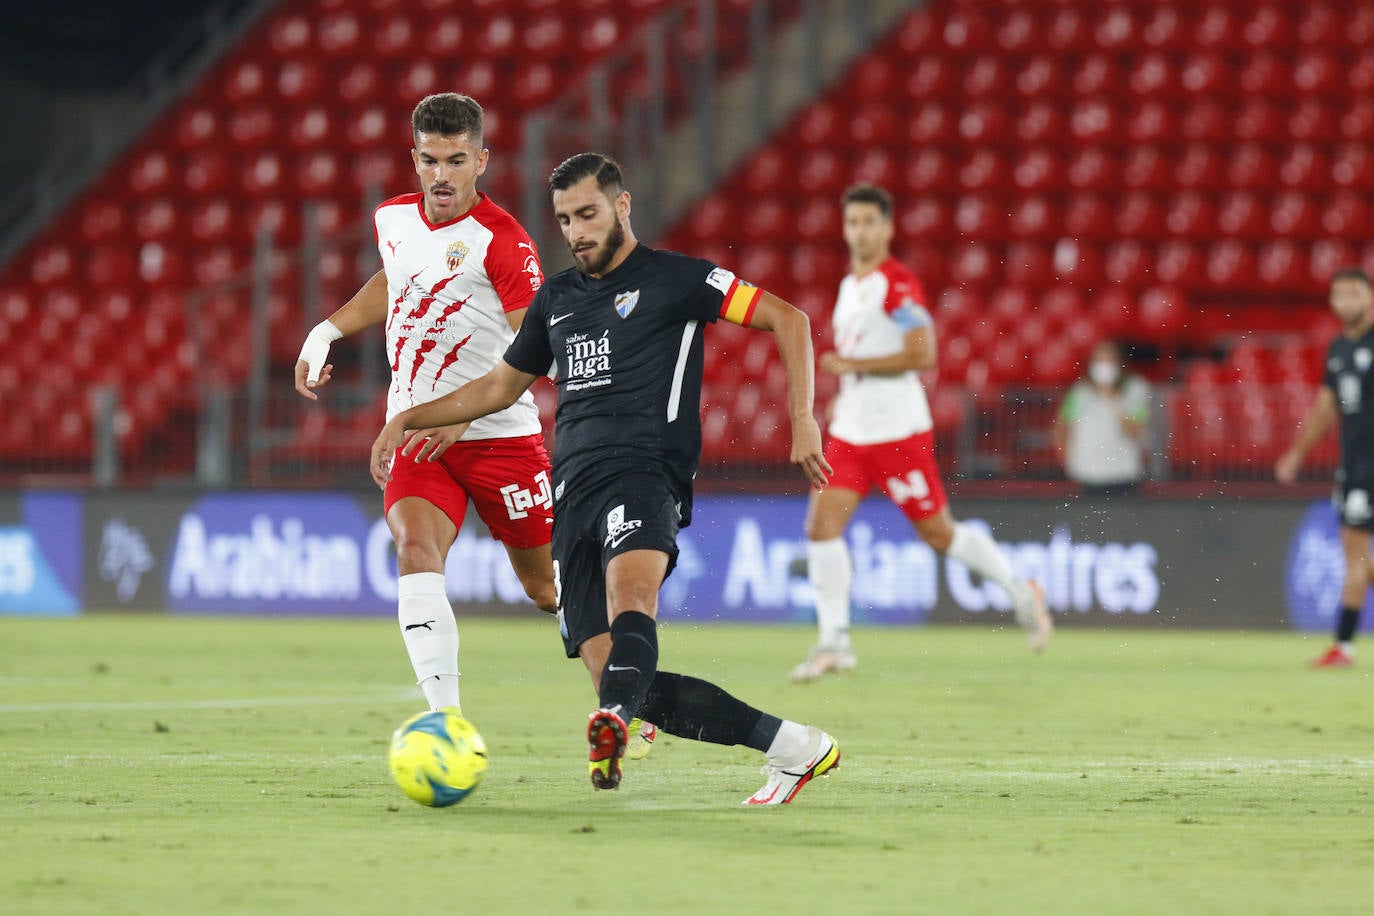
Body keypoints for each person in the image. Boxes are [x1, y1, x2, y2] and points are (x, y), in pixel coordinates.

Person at [372, 152, 840, 805]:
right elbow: (501, 385)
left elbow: (789, 318)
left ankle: (616, 722)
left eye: (588, 214)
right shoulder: (557, 299)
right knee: (619, 676)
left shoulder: (682, 280)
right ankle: (794, 747)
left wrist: (803, 419)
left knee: (632, 599)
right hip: (574, 493)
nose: (576, 231)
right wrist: (408, 419)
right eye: (565, 220)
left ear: (622, 206)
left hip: (646, 472)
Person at [293, 95, 658, 757]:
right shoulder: (393, 219)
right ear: (414, 158)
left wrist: (462, 417)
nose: (442, 174)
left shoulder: (505, 243)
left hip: (500, 439)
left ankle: (630, 702)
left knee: (548, 588)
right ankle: (446, 722)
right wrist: (327, 328)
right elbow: (395, 279)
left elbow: (534, 347)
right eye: (430, 159)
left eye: (457, 160)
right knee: (414, 551)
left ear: (480, 160)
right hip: (418, 436)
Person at [791, 183, 1052, 683]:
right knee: (821, 529)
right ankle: (834, 642)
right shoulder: (851, 286)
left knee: (937, 533)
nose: (861, 231)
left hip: (898, 434)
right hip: (850, 432)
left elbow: (923, 353)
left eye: (870, 221)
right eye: (853, 222)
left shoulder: (899, 283)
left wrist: (850, 363)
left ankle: (1021, 589)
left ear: (887, 227)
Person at [1277, 266, 1374, 668]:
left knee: (1357, 558)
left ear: (1369, 296)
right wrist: (1297, 452)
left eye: (1354, 293)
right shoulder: (1337, 349)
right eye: (1339, 294)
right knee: (1357, 557)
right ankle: (1343, 647)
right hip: (1354, 467)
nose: (1346, 301)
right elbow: (1323, 409)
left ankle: (1343, 646)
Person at [1052, 339, 1151, 495]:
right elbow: (1062, 427)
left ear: (1119, 363)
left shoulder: (1135, 389)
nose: (1103, 366)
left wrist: (1112, 397)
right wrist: (1068, 462)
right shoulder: (1080, 392)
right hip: (1087, 476)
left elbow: (1134, 430)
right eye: (1098, 360)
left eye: (1109, 360)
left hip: (1123, 474)